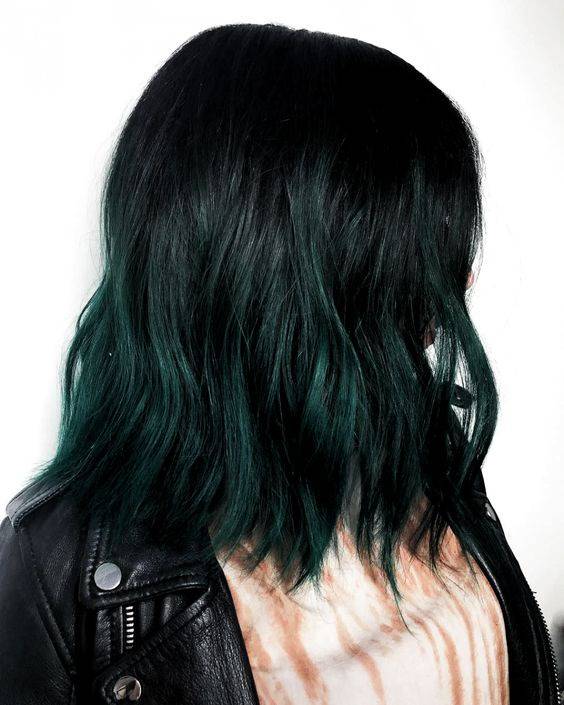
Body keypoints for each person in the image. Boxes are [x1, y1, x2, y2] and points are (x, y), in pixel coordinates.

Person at [0, 22, 559, 705]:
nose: (460, 282)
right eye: (419, 244)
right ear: (288, 268)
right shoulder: (57, 570)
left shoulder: (429, 463)